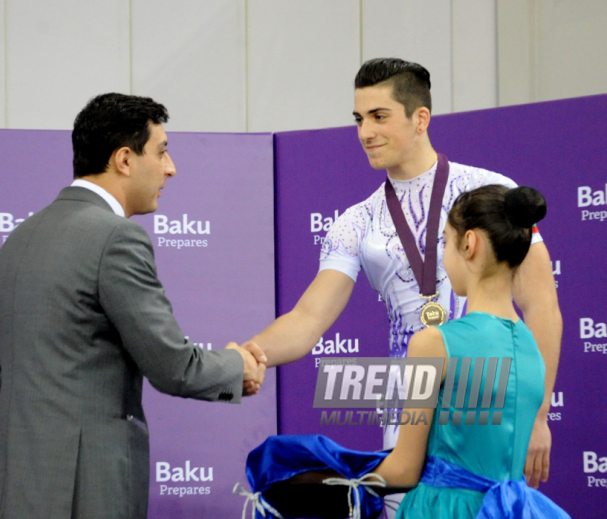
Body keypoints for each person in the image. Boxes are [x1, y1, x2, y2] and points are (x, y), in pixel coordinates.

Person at [244, 58, 560, 516]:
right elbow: (308, 318)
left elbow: (542, 306)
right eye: (358, 119)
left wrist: (539, 413)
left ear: (420, 118)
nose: (364, 132)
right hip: (409, 405)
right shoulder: (356, 222)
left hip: (490, 405)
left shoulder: (493, 191)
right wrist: (247, 355)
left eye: (378, 116)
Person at [0, 93, 266, 519]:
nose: (171, 168)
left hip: (14, 490)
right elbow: (172, 365)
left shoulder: (17, 241)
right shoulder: (116, 238)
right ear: (125, 160)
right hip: (87, 493)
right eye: (162, 151)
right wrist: (236, 367)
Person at [372, 184, 569, 518]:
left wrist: (332, 479)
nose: (444, 255)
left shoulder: (434, 343)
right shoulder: (532, 351)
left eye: (445, 242)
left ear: (469, 243)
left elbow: (404, 469)